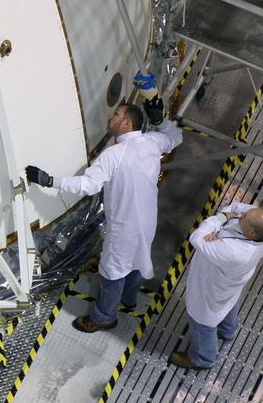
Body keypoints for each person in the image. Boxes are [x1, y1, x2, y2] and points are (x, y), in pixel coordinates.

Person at [25, 103, 182, 333]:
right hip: (147, 221)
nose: (110, 117)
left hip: (124, 228)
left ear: (127, 123)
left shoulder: (114, 154)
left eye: (116, 114)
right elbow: (175, 137)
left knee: (111, 273)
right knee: (137, 261)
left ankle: (103, 318)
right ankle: (129, 299)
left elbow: (88, 186)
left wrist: (50, 181)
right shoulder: (152, 142)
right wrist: (162, 122)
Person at [171, 202, 263, 370]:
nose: (241, 215)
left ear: (251, 233)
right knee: (227, 305)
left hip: (211, 287)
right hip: (230, 285)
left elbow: (197, 237)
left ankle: (202, 358)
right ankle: (227, 330)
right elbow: (235, 207)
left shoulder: (236, 253)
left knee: (202, 320)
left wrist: (219, 221)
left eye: (243, 218)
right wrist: (220, 227)